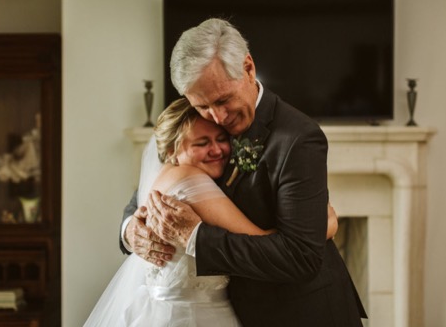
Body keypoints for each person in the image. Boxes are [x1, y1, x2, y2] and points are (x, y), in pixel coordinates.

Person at [124, 18, 366, 325]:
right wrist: (131, 229)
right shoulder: (197, 124)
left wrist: (195, 236)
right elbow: (149, 192)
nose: (218, 116)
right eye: (203, 106)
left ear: (248, 68)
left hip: (300, 314)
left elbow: (300, 258)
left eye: (224, 100)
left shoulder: (298, 138)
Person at [86, 98, 338, 326]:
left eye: (221, 139)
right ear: (172, 150)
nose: (217, 150)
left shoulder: (167, 175)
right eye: (202, 143)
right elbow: (257, 240)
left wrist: (130, 226)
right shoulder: (189, 179)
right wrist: (321, 226)